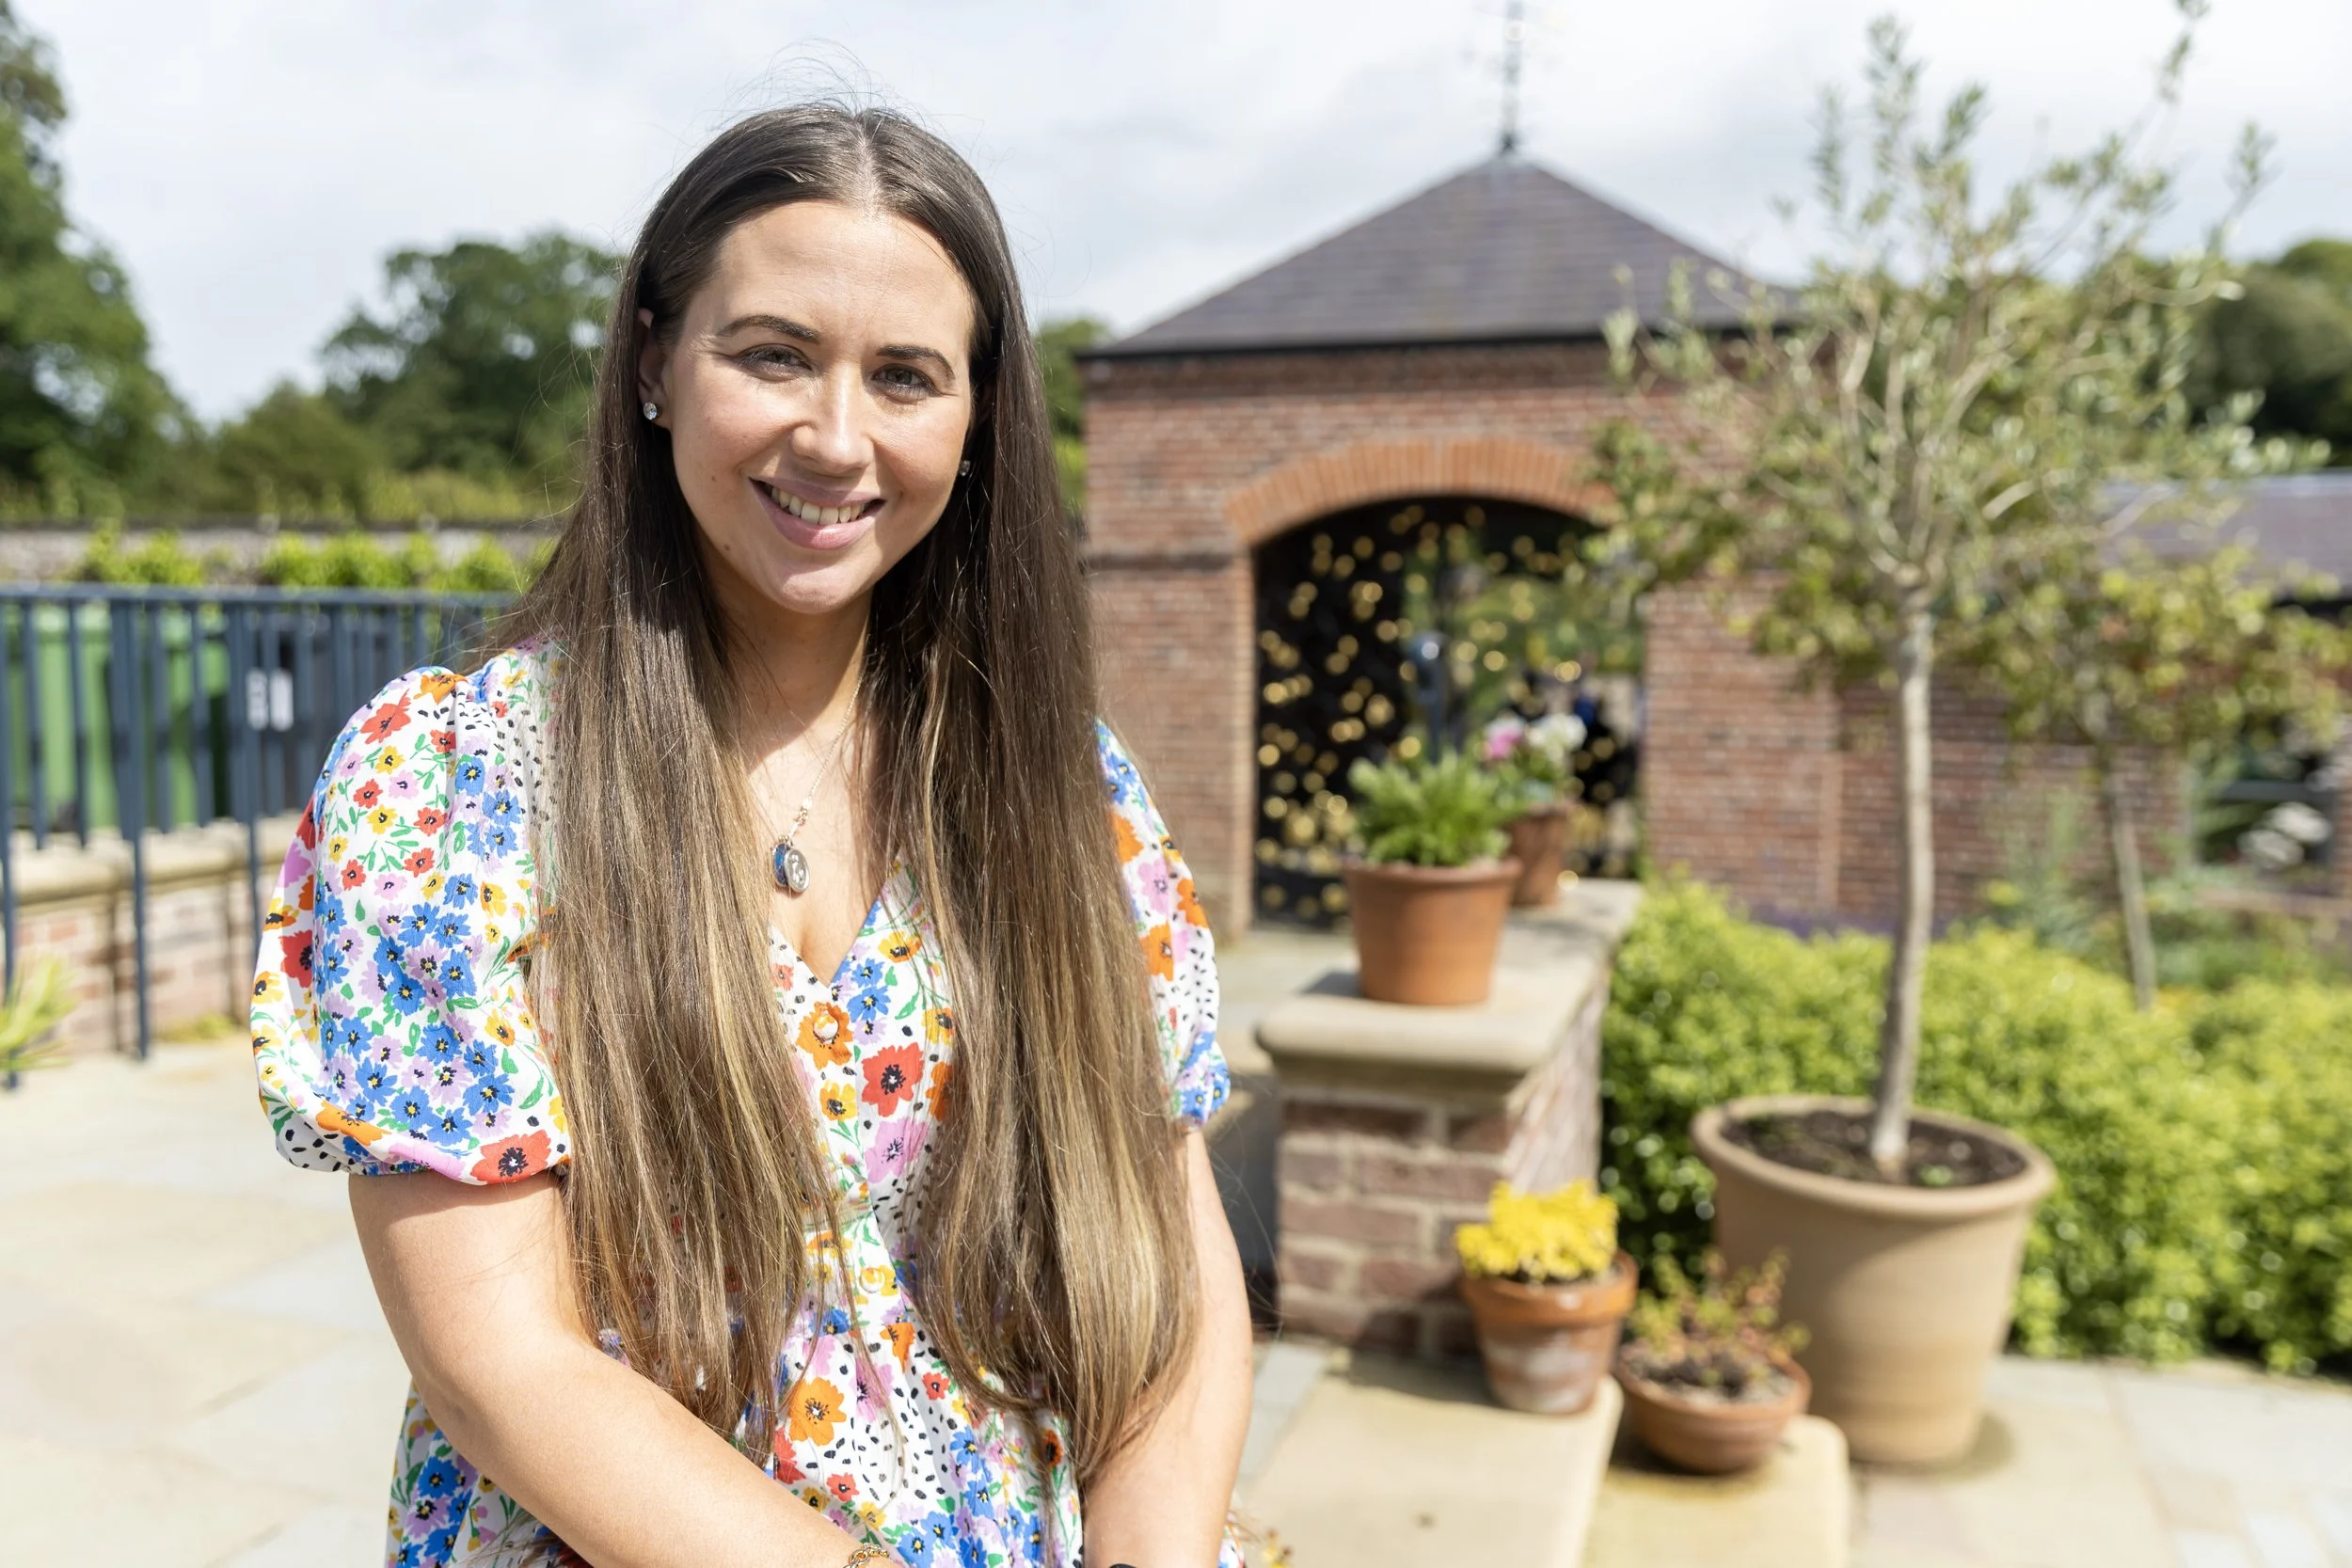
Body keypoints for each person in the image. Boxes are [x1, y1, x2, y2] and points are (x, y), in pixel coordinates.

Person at [250, 104, 1252, 1568]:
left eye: (905, 376)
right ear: (655, 361)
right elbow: (499, 1360)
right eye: (773, 353)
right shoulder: (452, 787)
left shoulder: (1064, 794)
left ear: (975, 423)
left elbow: (1172, 1261)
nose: (835, 437)